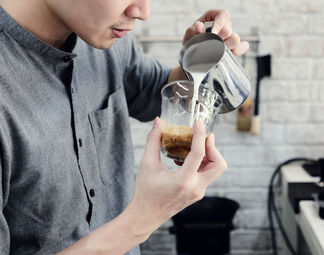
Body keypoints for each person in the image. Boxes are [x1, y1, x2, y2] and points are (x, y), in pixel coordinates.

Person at [0, 0, 249, 254]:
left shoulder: (101, 37)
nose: (142, 12)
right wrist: (143, 219)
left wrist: (198, 59)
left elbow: (152, 91)